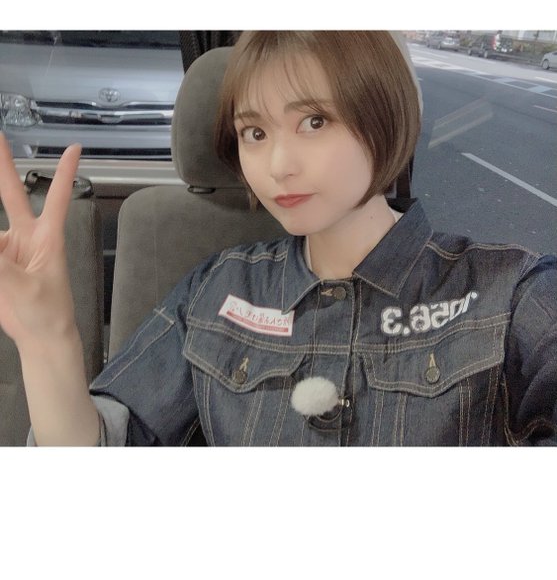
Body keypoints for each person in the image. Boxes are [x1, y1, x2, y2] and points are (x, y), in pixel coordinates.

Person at [1, 31, 556, 446]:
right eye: (255, 132)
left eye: (314, 121)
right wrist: (47, 341)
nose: (278, 165)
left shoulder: (509, 296)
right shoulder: (217, 291)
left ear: (384, 116)